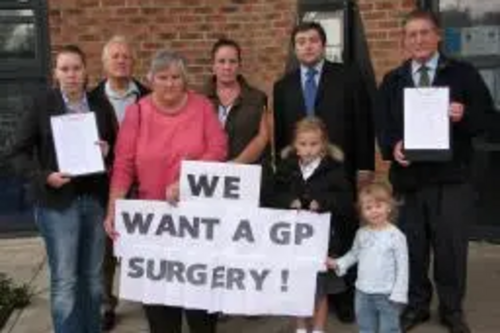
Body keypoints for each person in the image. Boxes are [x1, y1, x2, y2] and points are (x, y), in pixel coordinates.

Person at [375, 10, 494, 333]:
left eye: (425, 32)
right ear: (404, 40)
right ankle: (417, 306)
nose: (418, 39)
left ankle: (452, 309)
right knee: (412, 248)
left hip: (453, 179)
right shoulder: (393, 80)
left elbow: (488, 120)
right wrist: (392, 148)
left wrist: (464, 114)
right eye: (412, 34)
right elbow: (383, 126)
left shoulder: (462, 74)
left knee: (450, 248)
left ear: (438, 35)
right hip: (410, 181)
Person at [103, 49, 227, 333]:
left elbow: (218, 149)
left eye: (175, 77)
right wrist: (114, 209)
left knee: (200, 308)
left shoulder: (202, 108)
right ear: (151, 79)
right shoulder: (137, 113)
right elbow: (123, 165)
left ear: (185, 79)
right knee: (160, 309)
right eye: (162, 77)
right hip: (153, 223)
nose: (169, 83)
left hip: (198, 220)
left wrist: (186, 179)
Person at [8, 45, 115, 333]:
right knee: (66, 279)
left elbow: (116, 150)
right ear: (55, 73)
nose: (71, 75)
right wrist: (44, 176)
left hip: (93, 200)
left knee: (92, 278)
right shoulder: (42, 105)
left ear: (86, 71)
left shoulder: (100, 105)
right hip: (57, 203)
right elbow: (16, 152)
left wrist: (107, 151)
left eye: (76, 68)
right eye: (64, 69)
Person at [273, 21, 375, 322]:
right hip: (301, 171)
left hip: (339, 171)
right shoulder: (283, 86)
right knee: (306, 235)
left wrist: (366, 167)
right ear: (295, 48)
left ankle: (344, 298)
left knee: (342, 231)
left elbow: (363, 123)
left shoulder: (348, 77)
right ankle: (306, 295)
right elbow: (281, 136)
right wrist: (285, 173)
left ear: (323, 44)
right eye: (301, 41)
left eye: (313, 40)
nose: (307, 46)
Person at [89, 35, 150, 331]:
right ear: (104, 63)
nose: (122, 60)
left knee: (144, 243)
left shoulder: (149, 96)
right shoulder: (90, 100)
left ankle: (151, 299)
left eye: (126, 56)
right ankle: (105, 304)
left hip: (144, 183)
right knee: (106, 247)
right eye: (115, 56)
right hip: (105, 183)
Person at [273, 117, 354, 333]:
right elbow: (272, 194)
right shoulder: (286, 167)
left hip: (323, 241)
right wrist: (289, 201)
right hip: (292, 240)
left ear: (323, 145)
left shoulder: (334, 170)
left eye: (314, 144)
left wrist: (324, 202)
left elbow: (346, 200)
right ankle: (300, 327)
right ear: (295, 146)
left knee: (320, 288)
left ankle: (318, 328)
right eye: (303, 144)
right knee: (296, 285)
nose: (308, 149)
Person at [328, 183, 408, 333]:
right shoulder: (361, 233)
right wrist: (338, 263)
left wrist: (399, 293)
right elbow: (354, 254)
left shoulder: (396, 236)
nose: (374, 211)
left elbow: (403, 268)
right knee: (365, 328)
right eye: (368, 208)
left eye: (379, 206)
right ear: (362, 212)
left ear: (389, 207)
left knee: (389, 329)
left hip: (388, 294)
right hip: (362, 292)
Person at [204, 38, 269, 164]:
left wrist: (236, 164)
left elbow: (262, 137)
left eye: (232, 61)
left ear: (239, 66)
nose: (227, 67)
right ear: (213, 66)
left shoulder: (257, 98)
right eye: (221, 61)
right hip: (209, 174)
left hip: (247, 172)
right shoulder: (200, 99)